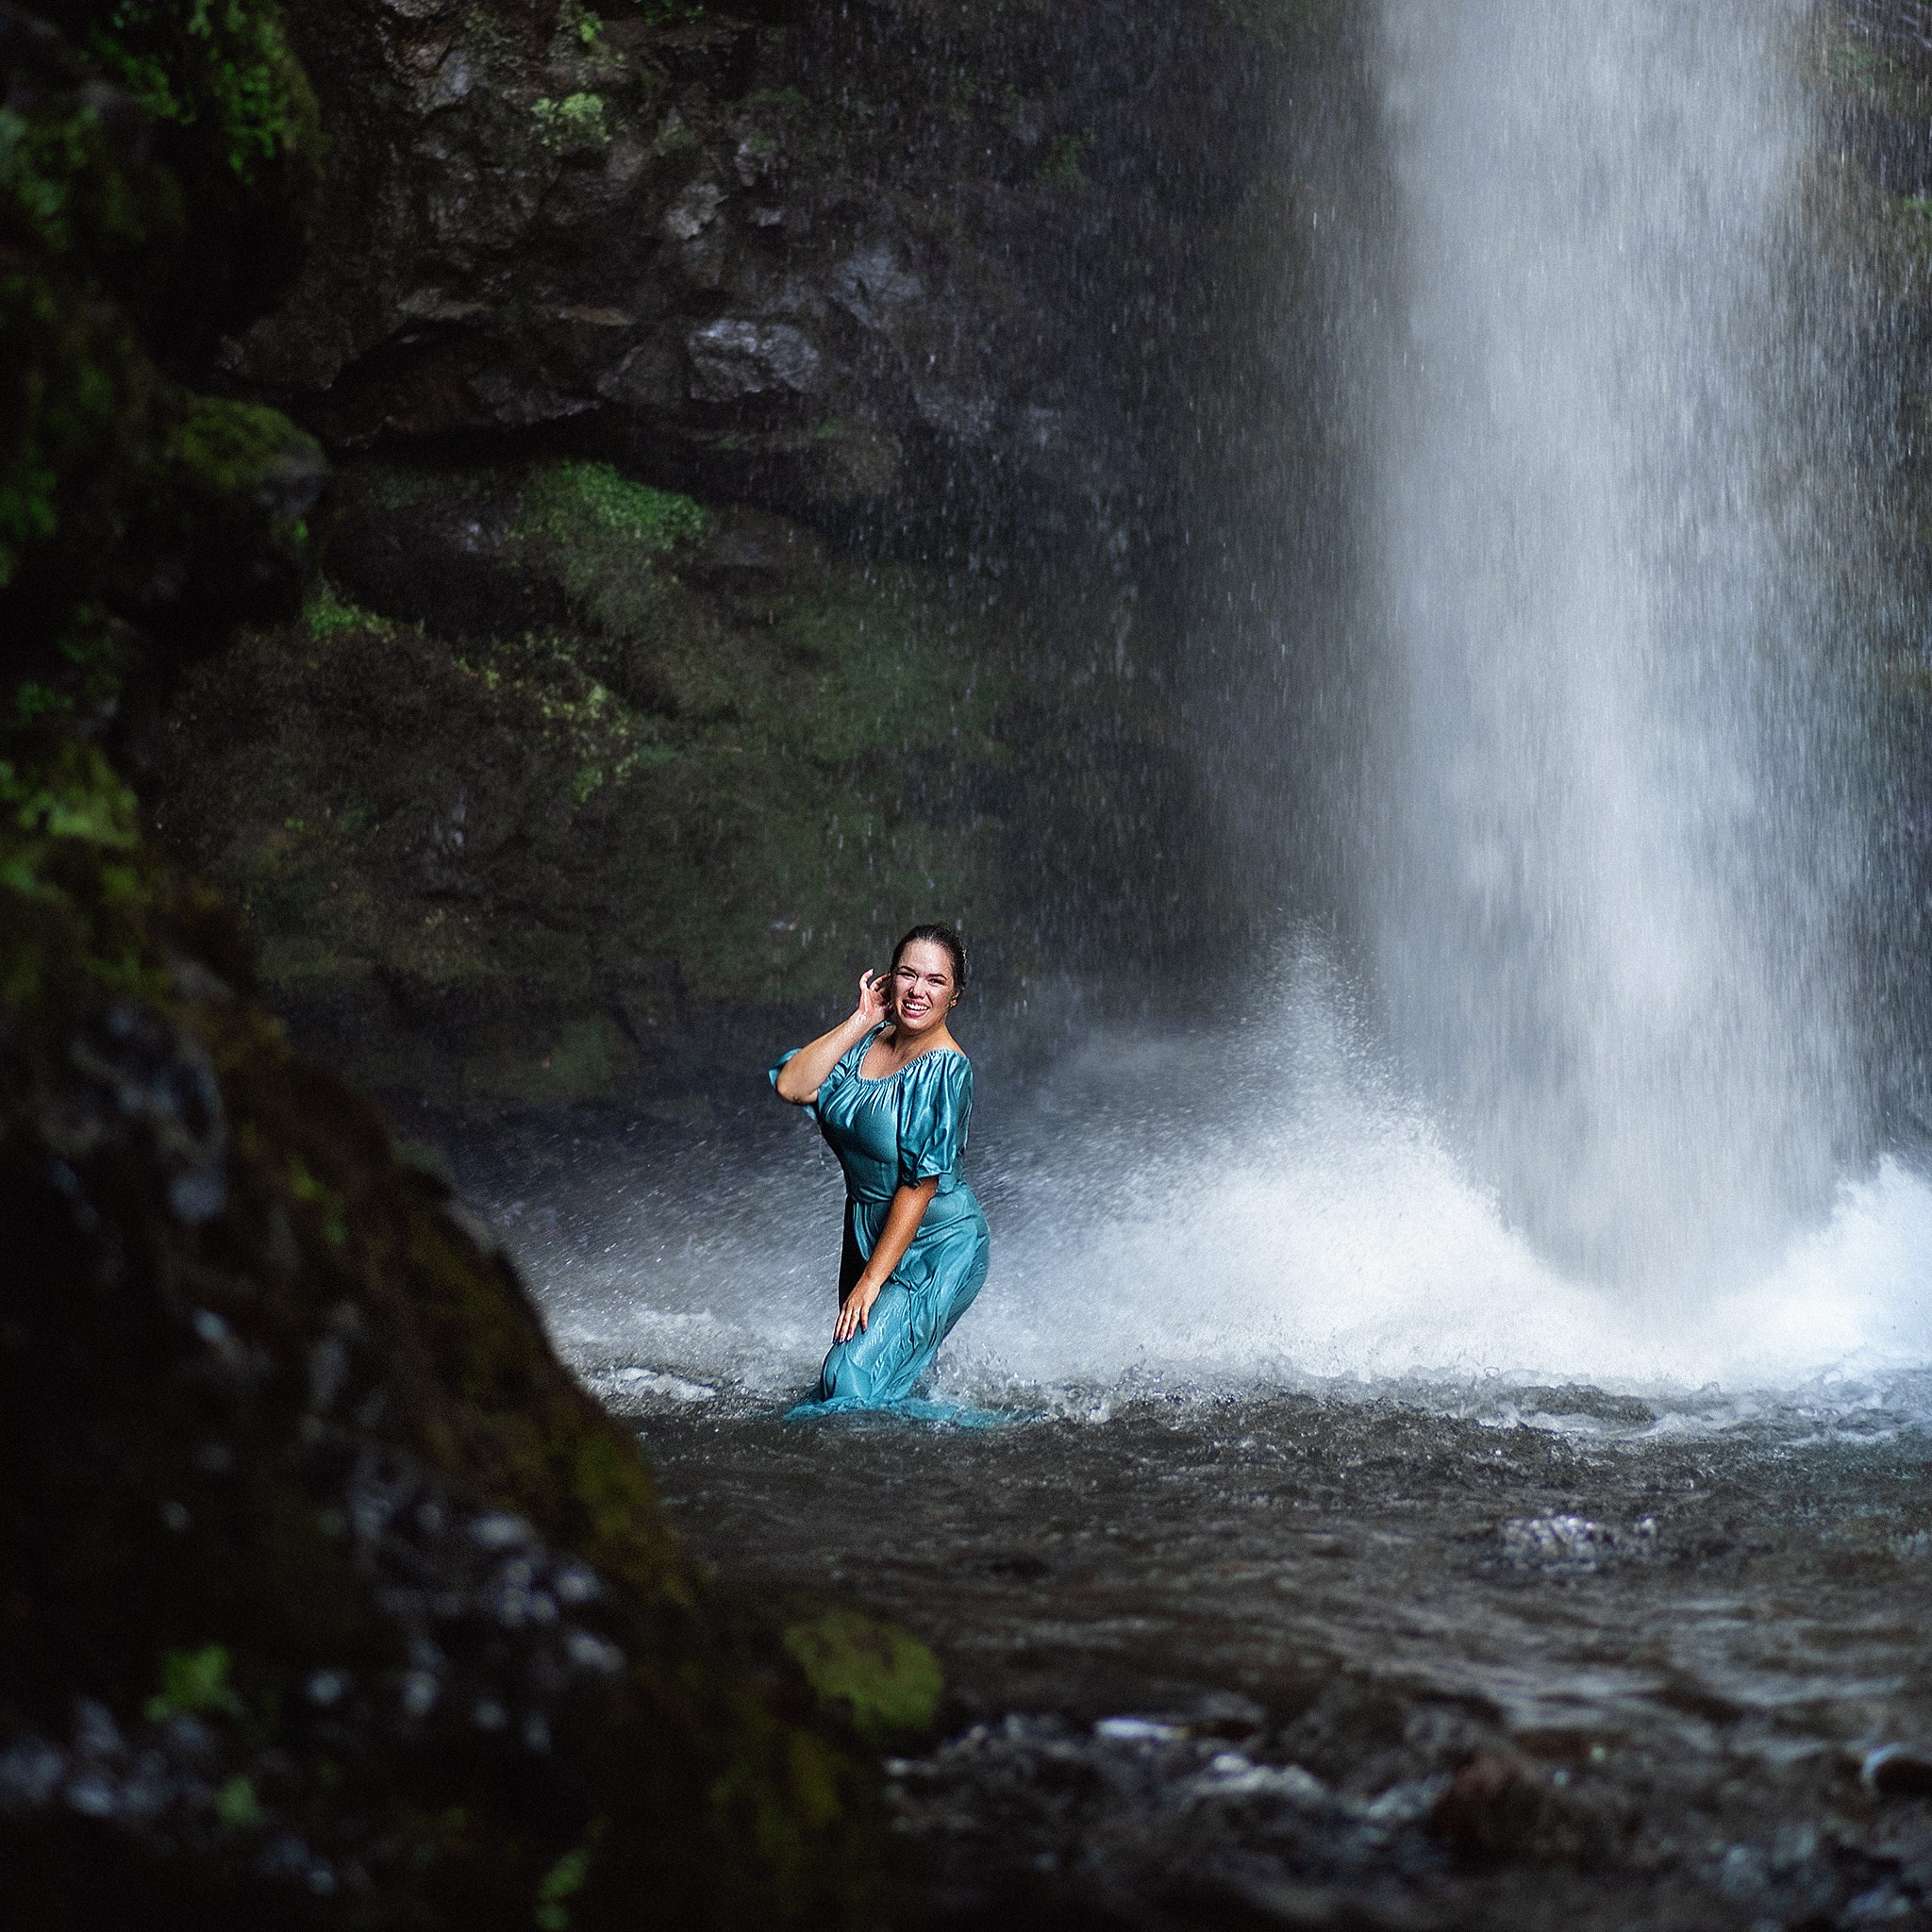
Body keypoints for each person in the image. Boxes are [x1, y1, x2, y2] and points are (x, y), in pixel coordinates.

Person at [770, 923, 990, 1409]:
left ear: (954, 995)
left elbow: (919, 1186)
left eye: (936, 981)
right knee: (861, 1379)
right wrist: (864, 1018)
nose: (918, 990)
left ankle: (989, 1433)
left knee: (847, 1375)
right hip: (869, 1230)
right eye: (908, 975)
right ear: (889, 979)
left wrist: (870, 1283)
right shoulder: (865, 1045)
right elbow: (792, 1085)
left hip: (935, 1239)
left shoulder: (948, 1069)